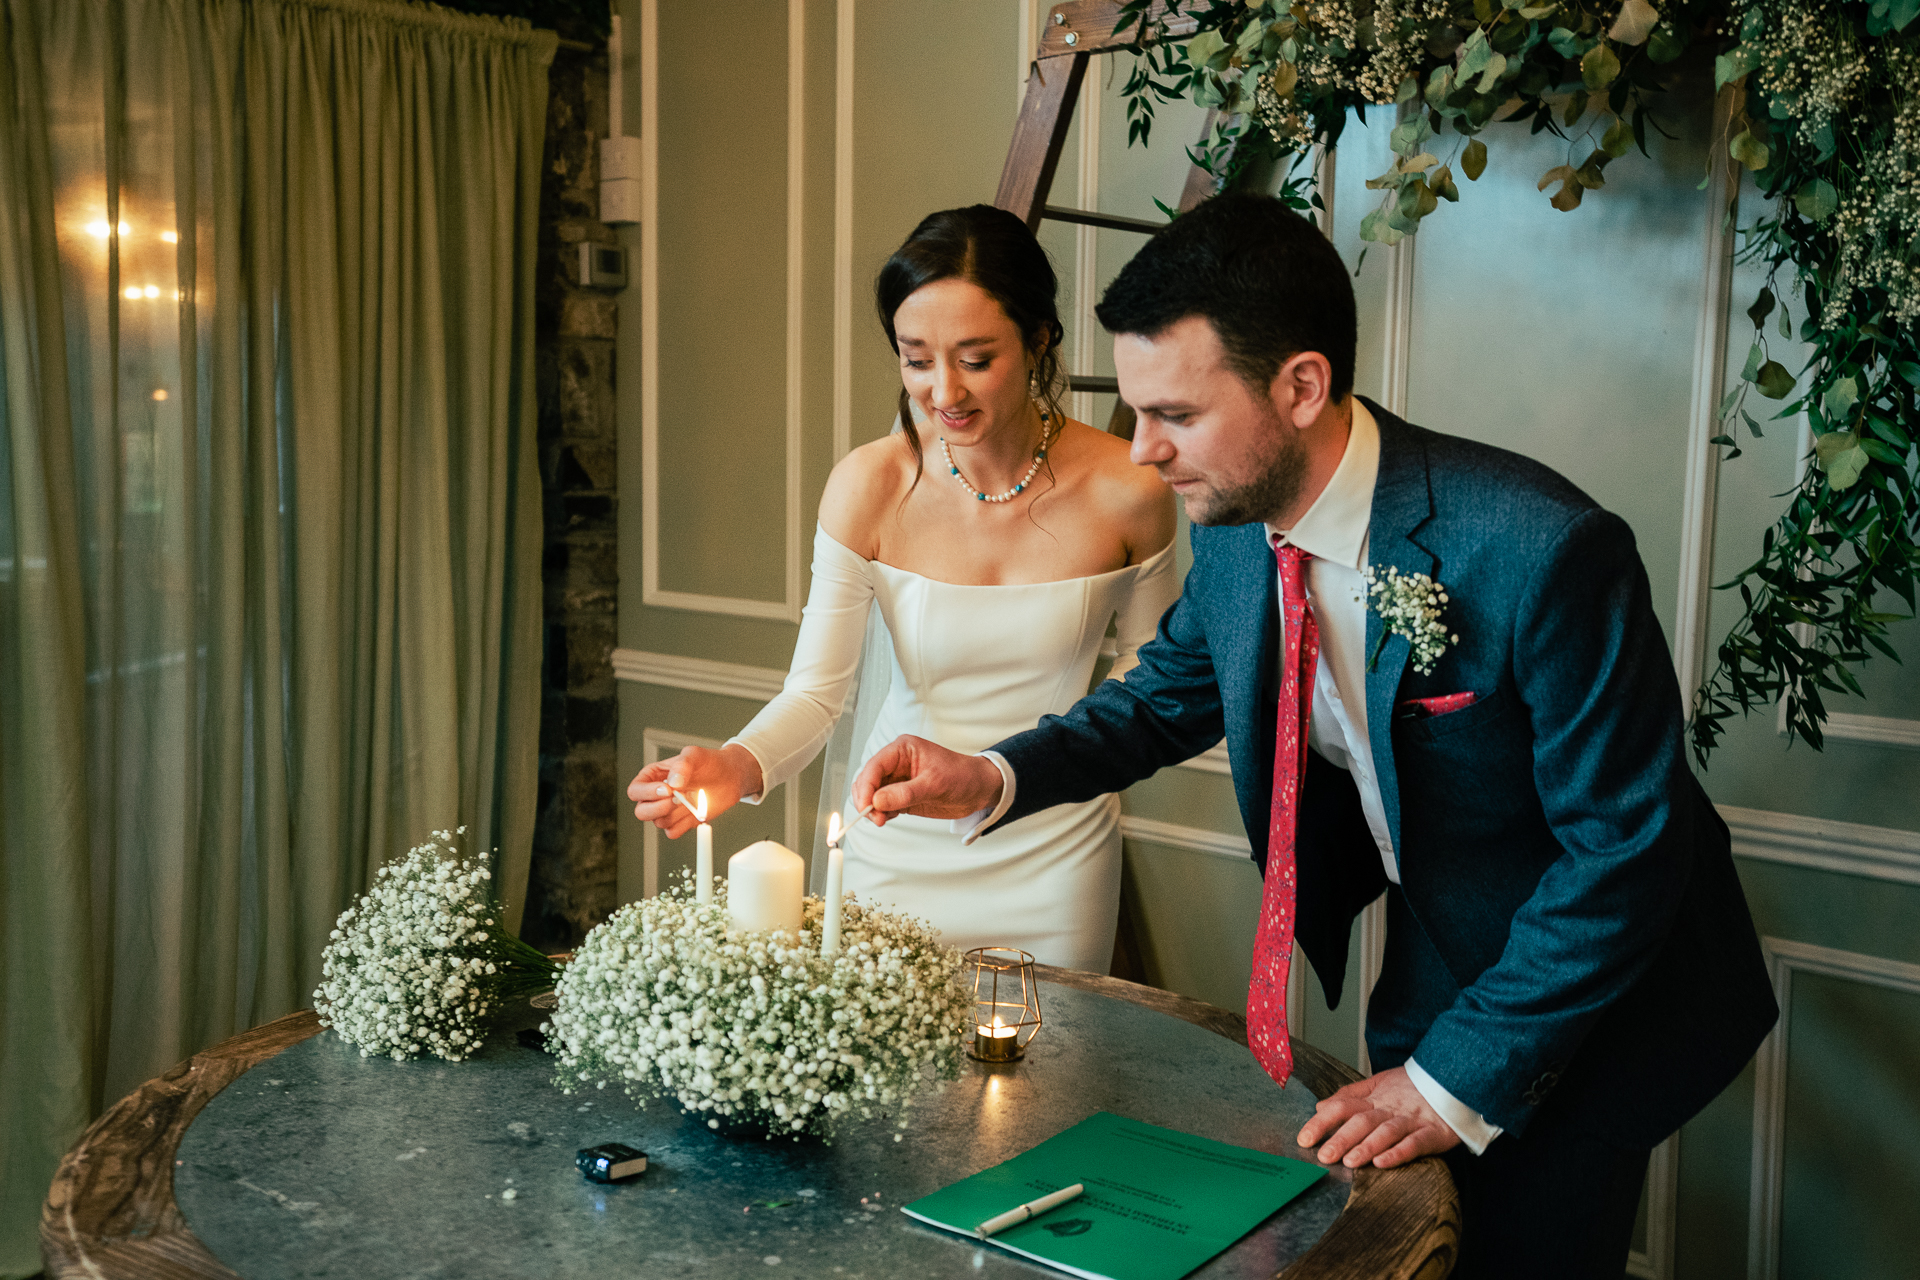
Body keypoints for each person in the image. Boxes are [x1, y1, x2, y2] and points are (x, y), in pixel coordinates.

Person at [849, 193, 1778, 1277]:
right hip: (1439, 958)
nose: (1143, 452)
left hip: (1600, 986)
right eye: (1135, 409)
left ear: (1300, 386)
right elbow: (1160, 697)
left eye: (1177, 416)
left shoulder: (1543, 549)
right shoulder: (1242, 534)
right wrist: (996, 771)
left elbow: (1627, 852)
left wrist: (1448, 1082)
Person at [627, 205, 1175, 972]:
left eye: (975, 359)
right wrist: (738, 764)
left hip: (1055, 846)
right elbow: (818, 693)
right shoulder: (869, 485)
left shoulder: (1131, 488)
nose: (943, 390)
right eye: (916, 359)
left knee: (1048, 1079)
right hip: (892, 842)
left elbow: (1150, 686)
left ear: (1040, 339)